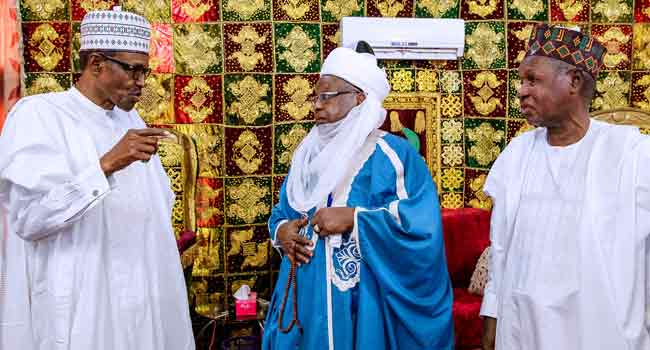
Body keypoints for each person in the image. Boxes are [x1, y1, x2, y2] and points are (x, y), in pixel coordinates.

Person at [0, 7, 195, 350]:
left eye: (144, 71)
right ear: (95, 64)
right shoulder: (41, 115)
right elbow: (28, 219)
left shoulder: (130, 122)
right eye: (132, 70)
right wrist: (105, 165)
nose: (142, 82)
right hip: (83, 307)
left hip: (141, 304)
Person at [262, 43, 454, 350]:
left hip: (363, 305)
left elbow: (419, 226)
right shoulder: (307, 156)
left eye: (327, 96)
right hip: (307, 298)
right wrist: (282, 232)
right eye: (315, 96)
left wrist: (354, 218)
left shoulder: (393, 154)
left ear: (360, 98)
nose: (317, 105)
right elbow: (282, 212)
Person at [480, 23, 650, 350]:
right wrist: (492, 318)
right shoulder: (516, 155)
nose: (521, 90)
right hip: (522, 329)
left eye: (533, 80)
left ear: (573, 82)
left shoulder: (632, 154)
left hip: (601, 330)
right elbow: (499, 248)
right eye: (521, 80)